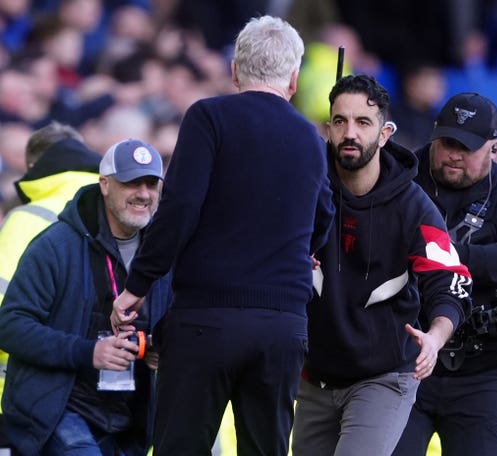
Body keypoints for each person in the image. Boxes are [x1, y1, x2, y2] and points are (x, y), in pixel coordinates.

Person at [110, 15, 335, 456]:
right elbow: (324, 214)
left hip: (205, 321)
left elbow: (179, 209)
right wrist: (301, 251)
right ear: (294, 78)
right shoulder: (310, 137)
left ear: (234, 70)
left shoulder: (208, 117)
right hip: (281, 326)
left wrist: (138, 285)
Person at [290, 74, 473, 456]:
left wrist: (435, 338)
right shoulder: (304, 189)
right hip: (314, 378)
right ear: (328, 129)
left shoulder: (414, 206)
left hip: (384, 377)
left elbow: (451, 281)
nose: (349, 133)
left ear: (386, 132)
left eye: (363, 122)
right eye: (340, 121)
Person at [393, 92, 497, 456]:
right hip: (401, 361)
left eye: (468, 146)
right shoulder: (398, 178)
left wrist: (438, 253)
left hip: (480, 371)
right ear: (433, 134)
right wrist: (469, 258)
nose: (454, 154)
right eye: (447, 142)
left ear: (495, 148)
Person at [0, 138, 171, 455]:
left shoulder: (163, 254)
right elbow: (10, 326)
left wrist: (158, 345)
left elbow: (174, 321)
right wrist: (88, 352)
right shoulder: (56, 245)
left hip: (130, 422)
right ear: (105, 184)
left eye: (151, 183)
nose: (144, 194)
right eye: (132, 182)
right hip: (58, 412)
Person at [0, 121, 101, 450]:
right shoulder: (127, 209)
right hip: (122, 390)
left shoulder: (27, 219)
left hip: (37, 394)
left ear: (33, 167)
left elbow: (5, 317)